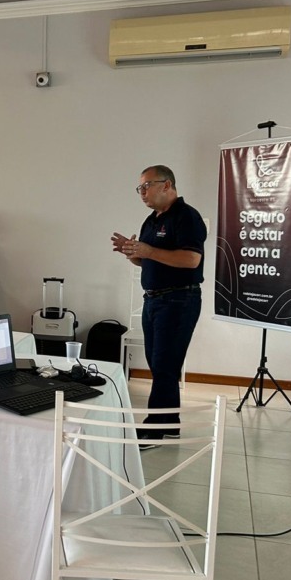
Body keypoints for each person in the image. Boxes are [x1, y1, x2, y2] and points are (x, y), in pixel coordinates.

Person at [111, 165, 205, 442]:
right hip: (153, 300)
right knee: (160, 365)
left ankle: (154, 429)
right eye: (139, 188)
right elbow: (147, 260)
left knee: (164, 366)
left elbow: (191, 259)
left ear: (166, 185)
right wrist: (132, 252)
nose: (142, 192)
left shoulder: (186, 216)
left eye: (146, 186)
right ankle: (170, 423)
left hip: (179, 299)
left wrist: (149, 250)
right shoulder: (150, 221)